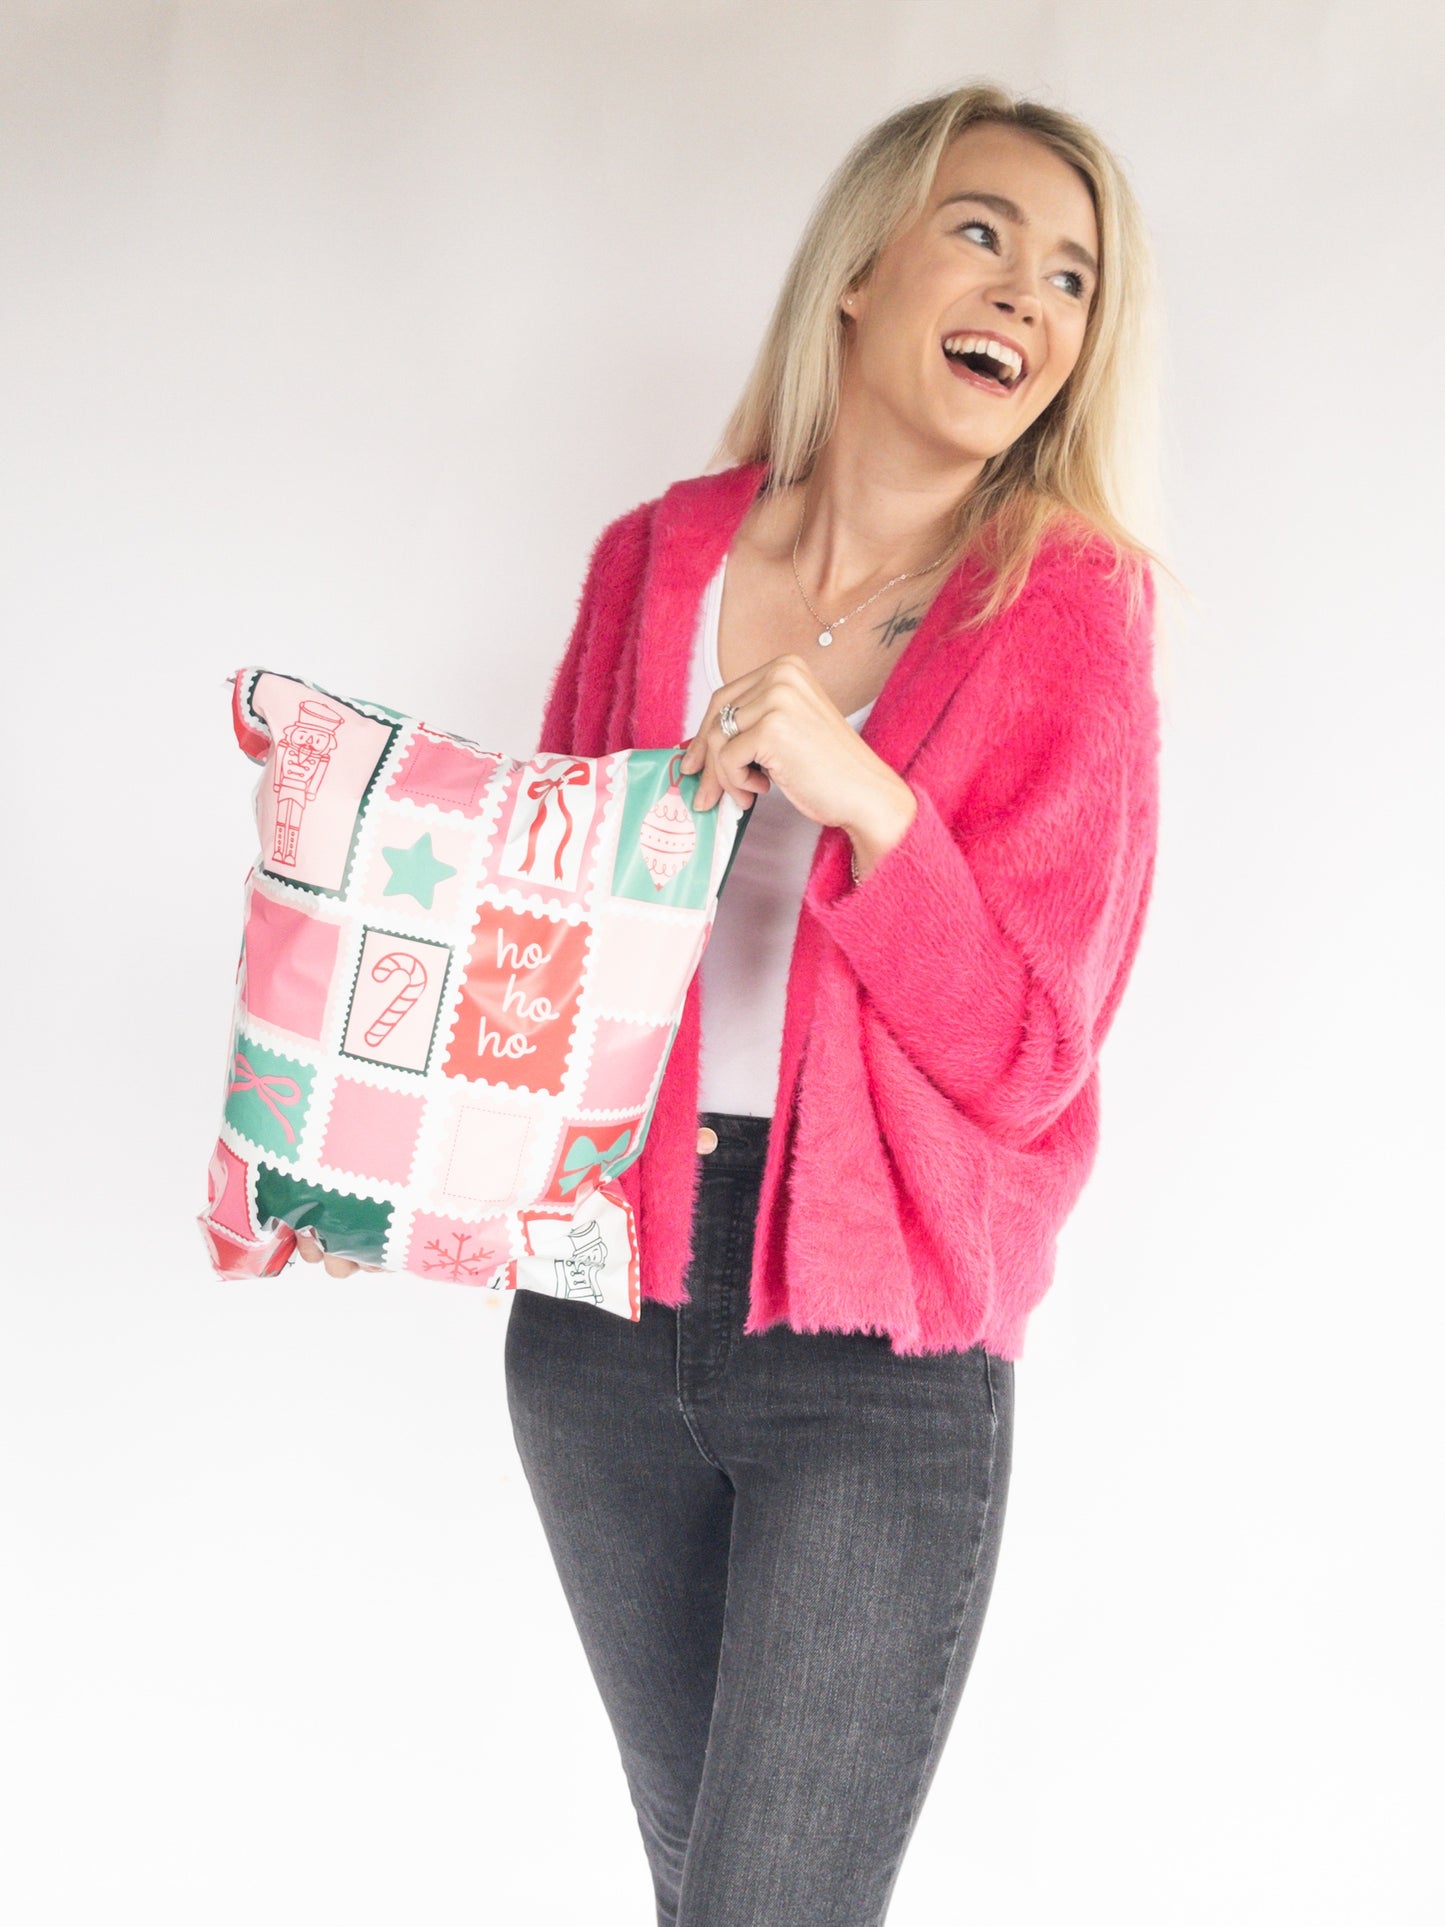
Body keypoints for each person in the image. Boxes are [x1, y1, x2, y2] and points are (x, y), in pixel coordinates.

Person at [303, 80, 1167, 1927]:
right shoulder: (658, 557)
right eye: (983, 230)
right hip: (602, 1320)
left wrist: (866, 802)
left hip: (877, 1361)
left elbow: (1028, 1054)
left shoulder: (1065, 612)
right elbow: (542, 927)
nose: (1027, 292)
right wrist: (366, 1088)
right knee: (710, 1889)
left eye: (1075, 276)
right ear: (860, 272)